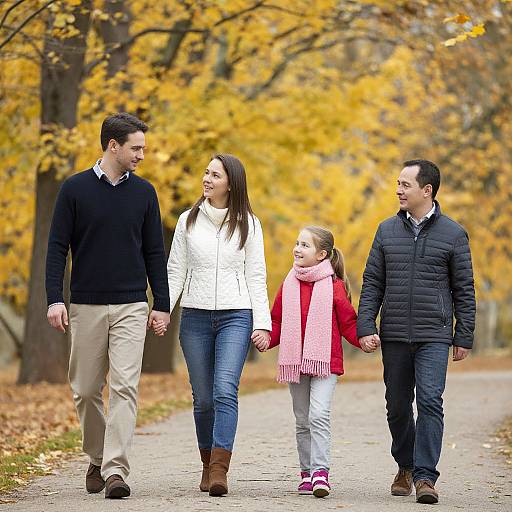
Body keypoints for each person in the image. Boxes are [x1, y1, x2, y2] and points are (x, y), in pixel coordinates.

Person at [46, 112, 170, 499]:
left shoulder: (145, 193)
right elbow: (56, 250)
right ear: (112, 146)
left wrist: (161, 304)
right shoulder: (74, 189)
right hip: (85, 305)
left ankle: (115, 470)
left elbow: (154, 251)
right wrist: (54, 299)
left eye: (144, 148)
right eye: (136, 148)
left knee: (124, 387)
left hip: (132, 304)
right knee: (84, 389)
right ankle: (97, 457)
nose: (142, 155)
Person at [357, 159, 476, 504]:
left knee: (429, 402)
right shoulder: (385, 230)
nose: (398, 190)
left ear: (427, 190)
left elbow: (464, 289)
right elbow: (372, 283)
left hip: (434, 335)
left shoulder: (453, 233)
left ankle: (425, 476)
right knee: (396, 406)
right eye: (397, 184)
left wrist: (463, 334)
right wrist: (366, 325)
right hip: (393, 333)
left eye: (405, 185)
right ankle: (405, 465)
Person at [164, 153, 271, 496]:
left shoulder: (250, 224)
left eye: (215, 175)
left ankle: (219, 471)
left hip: (236, 316)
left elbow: (257, 275)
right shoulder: (187, 220)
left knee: (225, 389)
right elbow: (175, 269)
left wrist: (263, 323)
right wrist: (163, 309)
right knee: (203, 399)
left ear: (231, 183)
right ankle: (206, 463)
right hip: (194, 316)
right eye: (206, 173)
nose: (206, 179)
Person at [252, 226, 378, 498]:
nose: (297, 249)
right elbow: (277, 321)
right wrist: (266, 337)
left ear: (322, 254)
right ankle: (306, 473)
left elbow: (348, 323)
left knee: (318, 414)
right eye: (297, 243)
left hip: (325, 362)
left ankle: (321, 472)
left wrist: (364, 339)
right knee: (302, 419)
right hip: (294, 361)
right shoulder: (288, 284)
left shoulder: (334, 287)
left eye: (305, 245)